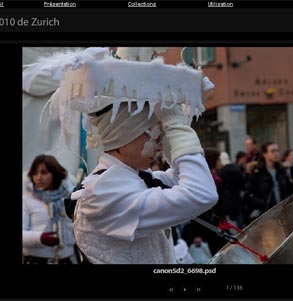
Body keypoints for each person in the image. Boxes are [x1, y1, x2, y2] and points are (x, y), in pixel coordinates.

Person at [23, 47, 217, 264]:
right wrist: (174, 123)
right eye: (154, 134)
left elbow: (186, 177)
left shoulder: (137, 179)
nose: (161, 146)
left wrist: (171, 125)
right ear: (125, 136)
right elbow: (202, 193)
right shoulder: (105, 193)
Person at [22, 154, 77, 264]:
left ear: (55, 174)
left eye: (44, 172)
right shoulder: (27, 200)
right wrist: (40, 238)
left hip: (66, 260)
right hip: (36, 260)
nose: (38, 177)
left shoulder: (68, 198)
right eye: (35, 173)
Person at [244, 142, 290, 223]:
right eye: (272, 151)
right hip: (266, 215)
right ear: (265, 154)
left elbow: (287, 190)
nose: (276, 153)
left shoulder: (281, 171)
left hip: (283, 213)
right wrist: (264, 204)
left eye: (277, 151)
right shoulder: (257, 172)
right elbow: (249, 194)